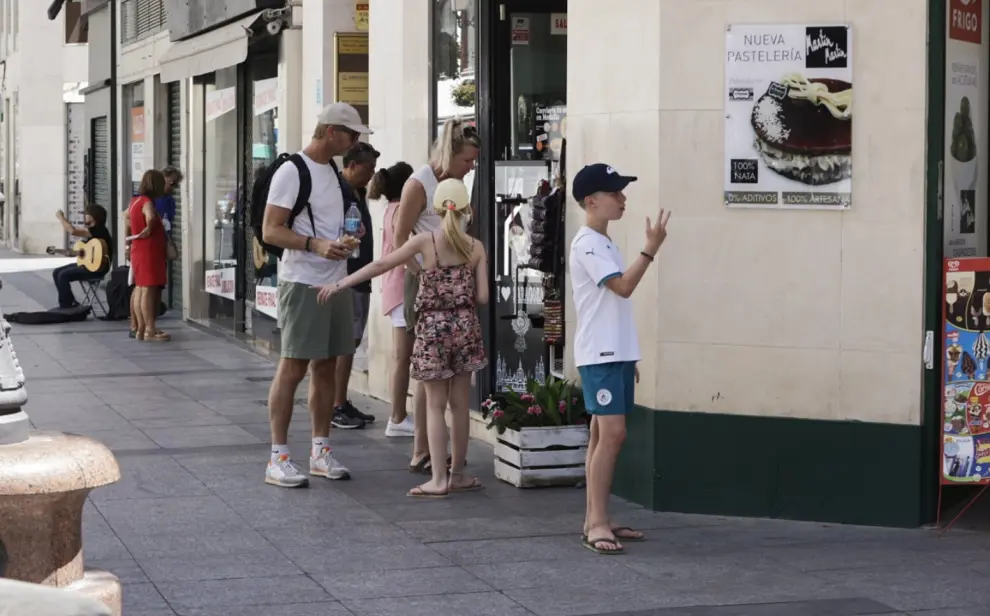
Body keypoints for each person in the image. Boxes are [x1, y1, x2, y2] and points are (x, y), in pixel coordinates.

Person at [315, 178, 488, 497]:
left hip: (432, 330)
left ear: (436, 209)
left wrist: (338, 284)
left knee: (435, 405)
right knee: (460, 404)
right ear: (468, 210)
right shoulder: (475, 247)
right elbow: (483, 296)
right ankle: (459, 474)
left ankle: (438, 478)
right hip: (465, 329)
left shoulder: (425, 242)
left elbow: (380, 264)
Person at [261, 102, 371, 488]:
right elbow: (270, 230)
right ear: (330, 132)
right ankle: (278, 457)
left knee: (326, 366)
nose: (356, 143)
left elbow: (327, 224)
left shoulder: (333, 174)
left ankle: (320, 451)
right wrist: (316, 245)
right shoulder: (293, 171)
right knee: (293, 367)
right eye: (352, 135)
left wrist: (341, 241)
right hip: (303, 281)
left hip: (334, 280)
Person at [568, 163, 670, 555]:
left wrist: (629, 356)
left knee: (602, 434)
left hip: (613, 353)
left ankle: (598, 518)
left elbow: (611, 304)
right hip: (601, 355)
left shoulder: (602, 241)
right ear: (592, 202)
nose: (623, 198)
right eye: (615, 193)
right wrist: (650, 249)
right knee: (613, 434)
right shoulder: (589, 244)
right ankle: (595, 523)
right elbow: (623, 288)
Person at [394, 117, 480, 471]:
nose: (471, 167)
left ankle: (437, 452)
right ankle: (421, 448)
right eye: (467, 161)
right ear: (449, 154)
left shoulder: (459, 184)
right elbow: (400, 238)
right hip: (426, 277)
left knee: (445, 371)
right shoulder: (419, 183)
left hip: (457, 283)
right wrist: (423, 274)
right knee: (426, 370)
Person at [331, 142, 381, 430]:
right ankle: (336, 405)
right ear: (350, 166)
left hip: (360, 274)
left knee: (350, 343)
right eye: (367, 169)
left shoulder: (356, 191)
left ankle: (341, 400)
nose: (371, 175)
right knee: (344, 343)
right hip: (347, 275)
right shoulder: (338, 191)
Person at [367, 161, 416, 437]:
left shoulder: (389, 209)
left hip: (394, 287)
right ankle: (397, 416)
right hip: (402, 287)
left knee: (401, 356)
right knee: (402, 356)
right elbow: (405, 248)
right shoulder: (400, 211)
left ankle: (398, 415)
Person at [127, 169, 170, 342]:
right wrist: (150, 226)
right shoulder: (147, 203)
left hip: (138, 248)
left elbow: (127, 220)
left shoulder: (134, 201)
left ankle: (140, 328)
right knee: (149, 290)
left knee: (140, 288)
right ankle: (150, 329)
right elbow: (150, 217)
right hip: (149, 250)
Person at [53, 205, 113, 308]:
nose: (84, 216)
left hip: (97, 269)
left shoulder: (98, 230)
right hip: (89, 265)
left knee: (63, 275)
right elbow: (88, 251)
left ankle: (66, 305)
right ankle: (71, 302)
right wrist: (74, 253)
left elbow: (72, 231)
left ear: (94, 217)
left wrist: (61, 217)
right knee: (56, 272)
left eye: (87, 214)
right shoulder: (95, 230)